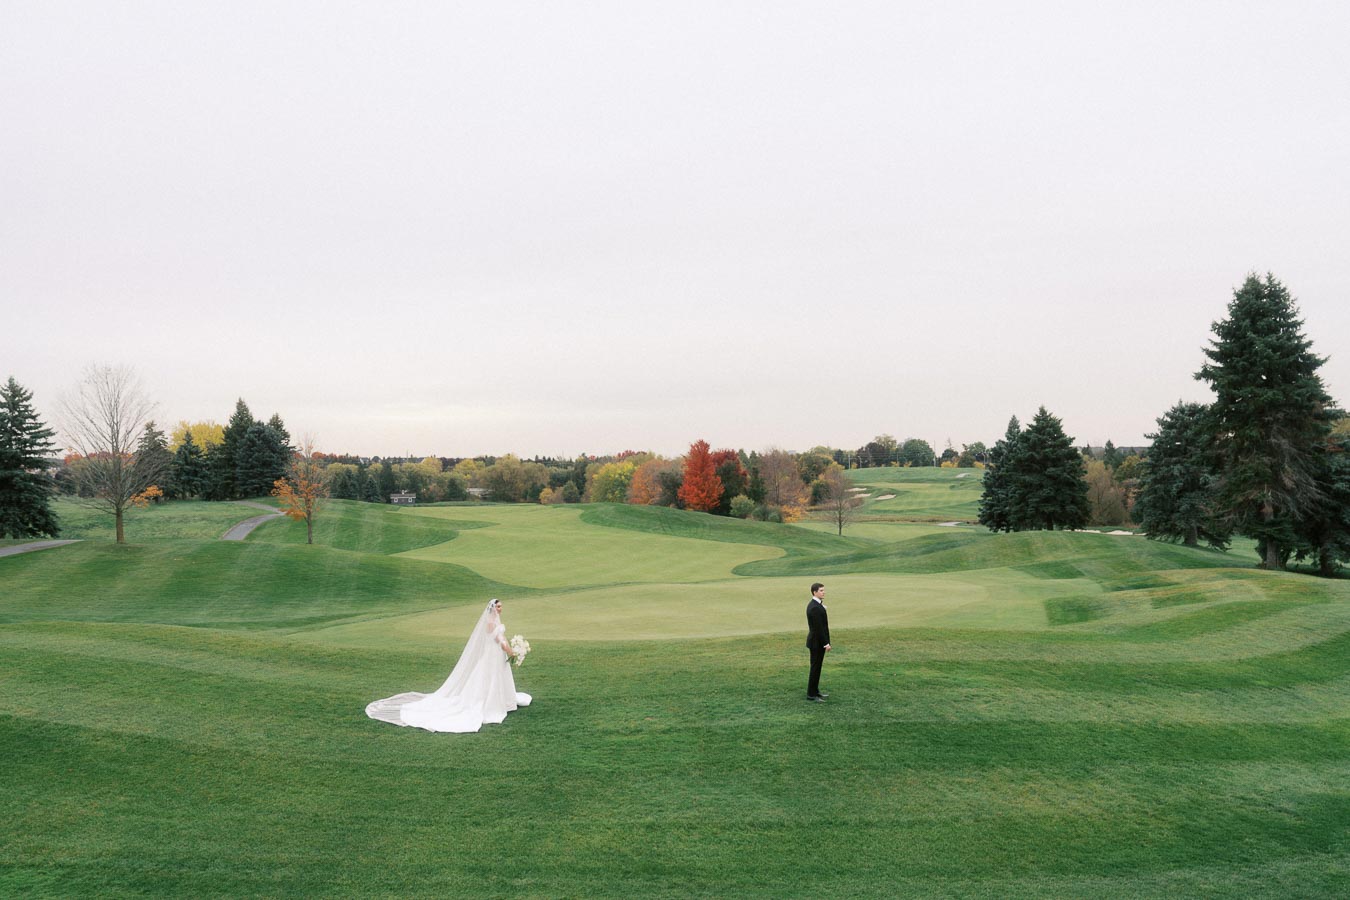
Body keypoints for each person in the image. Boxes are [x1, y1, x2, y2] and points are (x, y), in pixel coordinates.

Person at [366, 598, 531, 733]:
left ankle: (501, 699)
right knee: (491, 677)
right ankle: (495, 702)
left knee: (489, 677)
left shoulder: (492, 620)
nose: (501, 609)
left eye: (501, 606)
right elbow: (500, 641)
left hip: (492, 656)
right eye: (498, 606)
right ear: (493, 608)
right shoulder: (492, 623)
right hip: (493, 655)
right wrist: (511, 652)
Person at [805, 582, 831, 701]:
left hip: (817, 642)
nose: (823, 592)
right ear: (814, 592)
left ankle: (815, 691)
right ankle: (811, 694)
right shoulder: (815, 607)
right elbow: (819, 629)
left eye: (823, 590)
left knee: (817, 667)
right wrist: (826, 643)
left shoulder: (817, 605)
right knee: (815, 668)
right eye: (821, 590)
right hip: (816, 643)